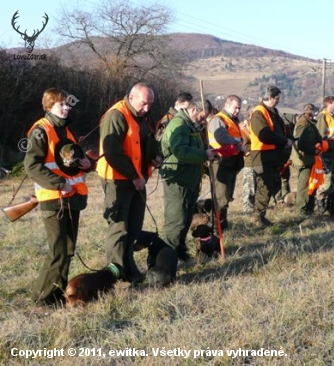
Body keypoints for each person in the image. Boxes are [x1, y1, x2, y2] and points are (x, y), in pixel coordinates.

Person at [24, 87, 92, 307]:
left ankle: (57, 294)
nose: (66, 107)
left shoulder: (67, 131)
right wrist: (59, 184)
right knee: (58, 252)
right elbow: (31, 166)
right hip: (54, 199)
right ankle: (41, 298)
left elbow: (70, 165)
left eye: (67, 103)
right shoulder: (41, 131)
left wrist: (86, 165)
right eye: (60, 104)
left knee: (68, 250)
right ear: (48, 106)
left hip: (72, 198)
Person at [96, 82, 158, 283]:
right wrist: (134, 176)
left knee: (134, 226)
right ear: (131, 98)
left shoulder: (142, 117)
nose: (147, 108)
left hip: (137, 179)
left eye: (150, 104)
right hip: (118, 180)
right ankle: (115, 275)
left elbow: (144, 144)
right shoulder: (116, 116)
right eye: (143, 103)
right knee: (119, 227)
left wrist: (154, 157)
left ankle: (129, 269)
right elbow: (113, 153)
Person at [161, 101, 218, 261]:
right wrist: (203, 155)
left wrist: (209, 155)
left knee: (186, 220)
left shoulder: (191, 125)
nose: (202, 121)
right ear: (193, 109)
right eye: (202, 117)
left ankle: (179, 252)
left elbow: (196, 150)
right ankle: (167, 259)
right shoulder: (179, 125)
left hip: (190, 180)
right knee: (176, 221)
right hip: (178, 180)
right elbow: (180, 151)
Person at [249, 85, 292, 227]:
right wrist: (284, 141)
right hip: (262, 156)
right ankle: (257, 218)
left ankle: (260, 216)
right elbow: (264, 135)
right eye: (277, 98)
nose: (279, 100)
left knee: (271, 186)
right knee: (265, 187)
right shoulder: (259, 113)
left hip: (272, 156)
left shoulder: (272, 112)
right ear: (270, 97)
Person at [207, 95, 246, 230]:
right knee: (221, 197)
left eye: (239, 108)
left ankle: (222, 224)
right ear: (227, 105)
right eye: (235, 107)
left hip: (231, 162)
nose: (237, 111)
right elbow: (221, 137)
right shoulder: (218, 119)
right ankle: (217, 227)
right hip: (220, 162)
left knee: (227, 196)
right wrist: (237, 144)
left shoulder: (233, 120)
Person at [290, 103, 325, 219]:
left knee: (311, 184)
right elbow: (300, 143)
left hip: (310, 159)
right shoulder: (303, 123)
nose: (316, 114)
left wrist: (319, 144)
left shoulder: (310, 124)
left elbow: (318, 137)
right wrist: (313, 151)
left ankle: (309, 208)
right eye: (315, 112)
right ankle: (301, 211)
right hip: (303, 160)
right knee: (303, 186)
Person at [317, 96, 334, 194]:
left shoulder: (332, 116)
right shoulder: (323, 116)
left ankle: (330, 204)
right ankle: (321, 205)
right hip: (327, 154)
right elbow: (321, 136)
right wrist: (333, 148)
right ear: (329, 104)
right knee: (326, 183)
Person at [239, 112, 255, 213]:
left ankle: (252, 206)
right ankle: (247, 209)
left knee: (254, 186)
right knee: (249, 186)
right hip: (249, 161)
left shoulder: (252, 127)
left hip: (255, 160)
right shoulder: (244, 129)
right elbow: (243, 145)